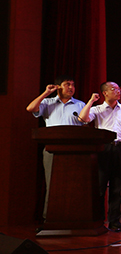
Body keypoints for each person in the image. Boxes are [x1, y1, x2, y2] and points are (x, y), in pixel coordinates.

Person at [78, 82, 121, 232]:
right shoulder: (97, 109)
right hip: (104, 148)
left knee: (117, 188)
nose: (118, 91)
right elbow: (82, 119)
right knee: (100, 186)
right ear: (104, 93)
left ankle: (115, 221)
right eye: (113, 89)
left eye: (118, 89)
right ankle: (98, 220)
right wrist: (91, 101)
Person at [27, 76, 86, 219]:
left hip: (75, 150)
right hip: (52, 149)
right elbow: (30, 108)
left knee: (74, 184)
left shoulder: (80, 104)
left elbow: (86, 122)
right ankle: (49, 219)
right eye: (67, 84)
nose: (71, 87)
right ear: (58, 87)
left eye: (73, 85)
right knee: (52, 184)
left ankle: (74, 218)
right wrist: (46, 93)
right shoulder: (47, 102)